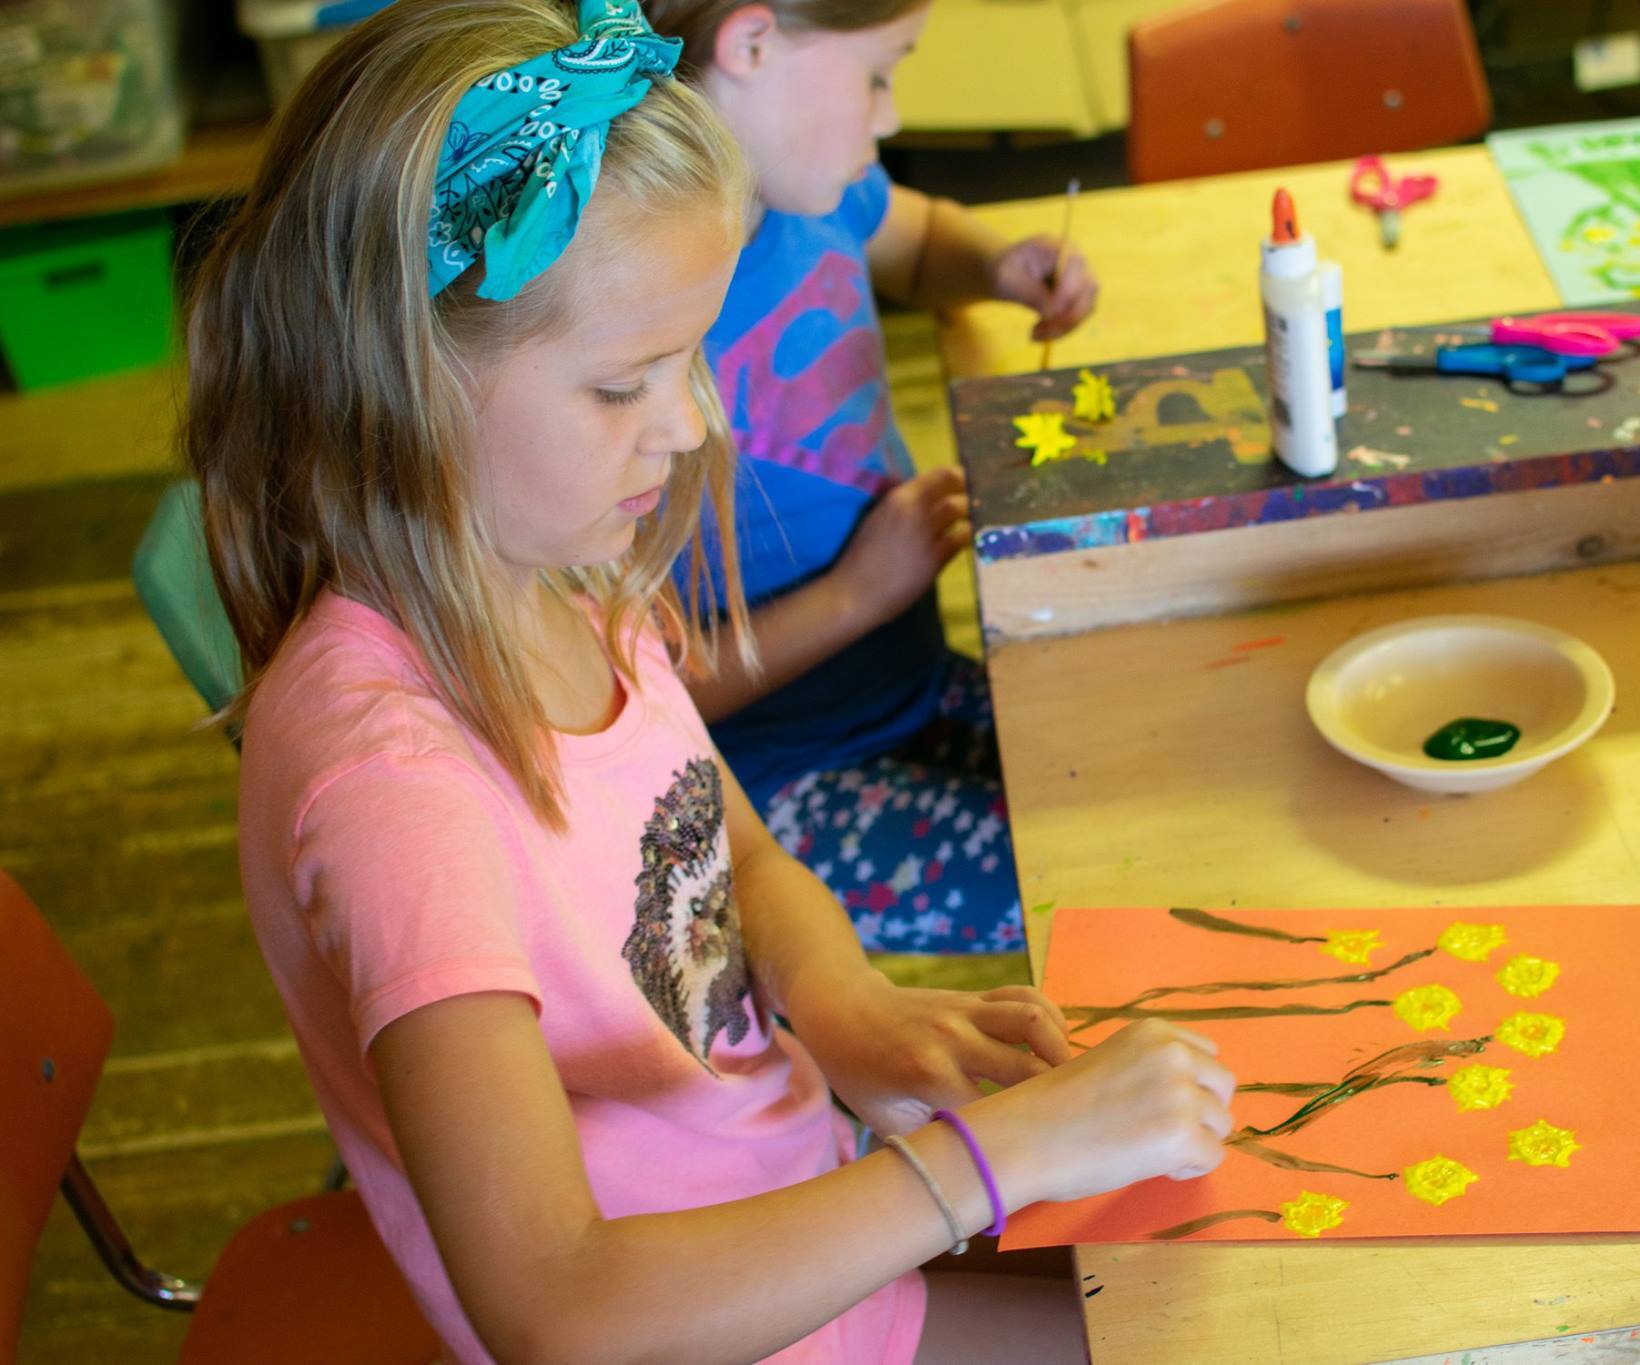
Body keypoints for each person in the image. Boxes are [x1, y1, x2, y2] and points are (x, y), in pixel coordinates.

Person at [188, 2, 1228, 1361]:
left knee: (1207, 1267)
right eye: (625, 384)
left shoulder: (543, 568)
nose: (686, 426)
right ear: (407, 383)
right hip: (705, 1319)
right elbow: (561, 1307)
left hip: (793, 1209)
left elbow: (719, 837)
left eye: (692, 356)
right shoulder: (395, 789)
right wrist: (982, 1164)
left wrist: (845, 1003)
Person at [643, 0, 1099, 955]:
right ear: (752, 43)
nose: (889, 117)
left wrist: (994, 264)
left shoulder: (816, 187)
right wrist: (860, 592)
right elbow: (631, 688)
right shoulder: (631, 315)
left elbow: (921, 242)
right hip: (771, 791)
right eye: (879, 73)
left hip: (909, 687)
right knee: (1097, 875)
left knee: (1136, 776)